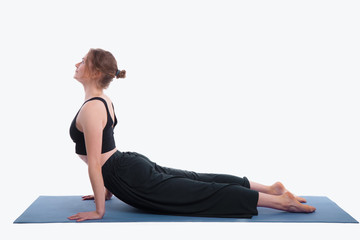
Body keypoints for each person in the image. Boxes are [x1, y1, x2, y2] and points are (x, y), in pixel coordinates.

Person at [68, 48, 316, 222]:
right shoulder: (102, 101)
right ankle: (272, 188)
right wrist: (107, 190)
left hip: (129, 176)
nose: (77, 64)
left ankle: (280, 201)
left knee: (198, 191)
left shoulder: (92, 108)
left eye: (82, 61)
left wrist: (99, 211)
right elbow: (104, 150)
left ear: (93, 71)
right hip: (127, 167)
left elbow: (96, 165)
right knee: (197, 180)